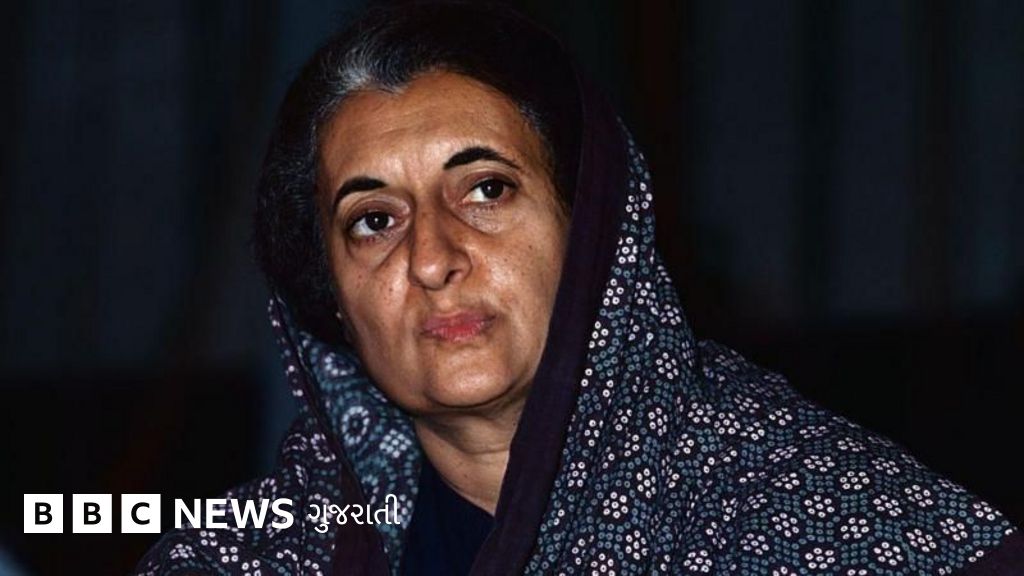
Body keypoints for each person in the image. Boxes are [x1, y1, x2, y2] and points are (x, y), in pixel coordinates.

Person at [136, 2, 1022, 574]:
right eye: (373, 220)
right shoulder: (262, 552)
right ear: (330, 295)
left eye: (486, 190)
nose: (433, 258)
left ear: (595, 235)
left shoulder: (805, 514)